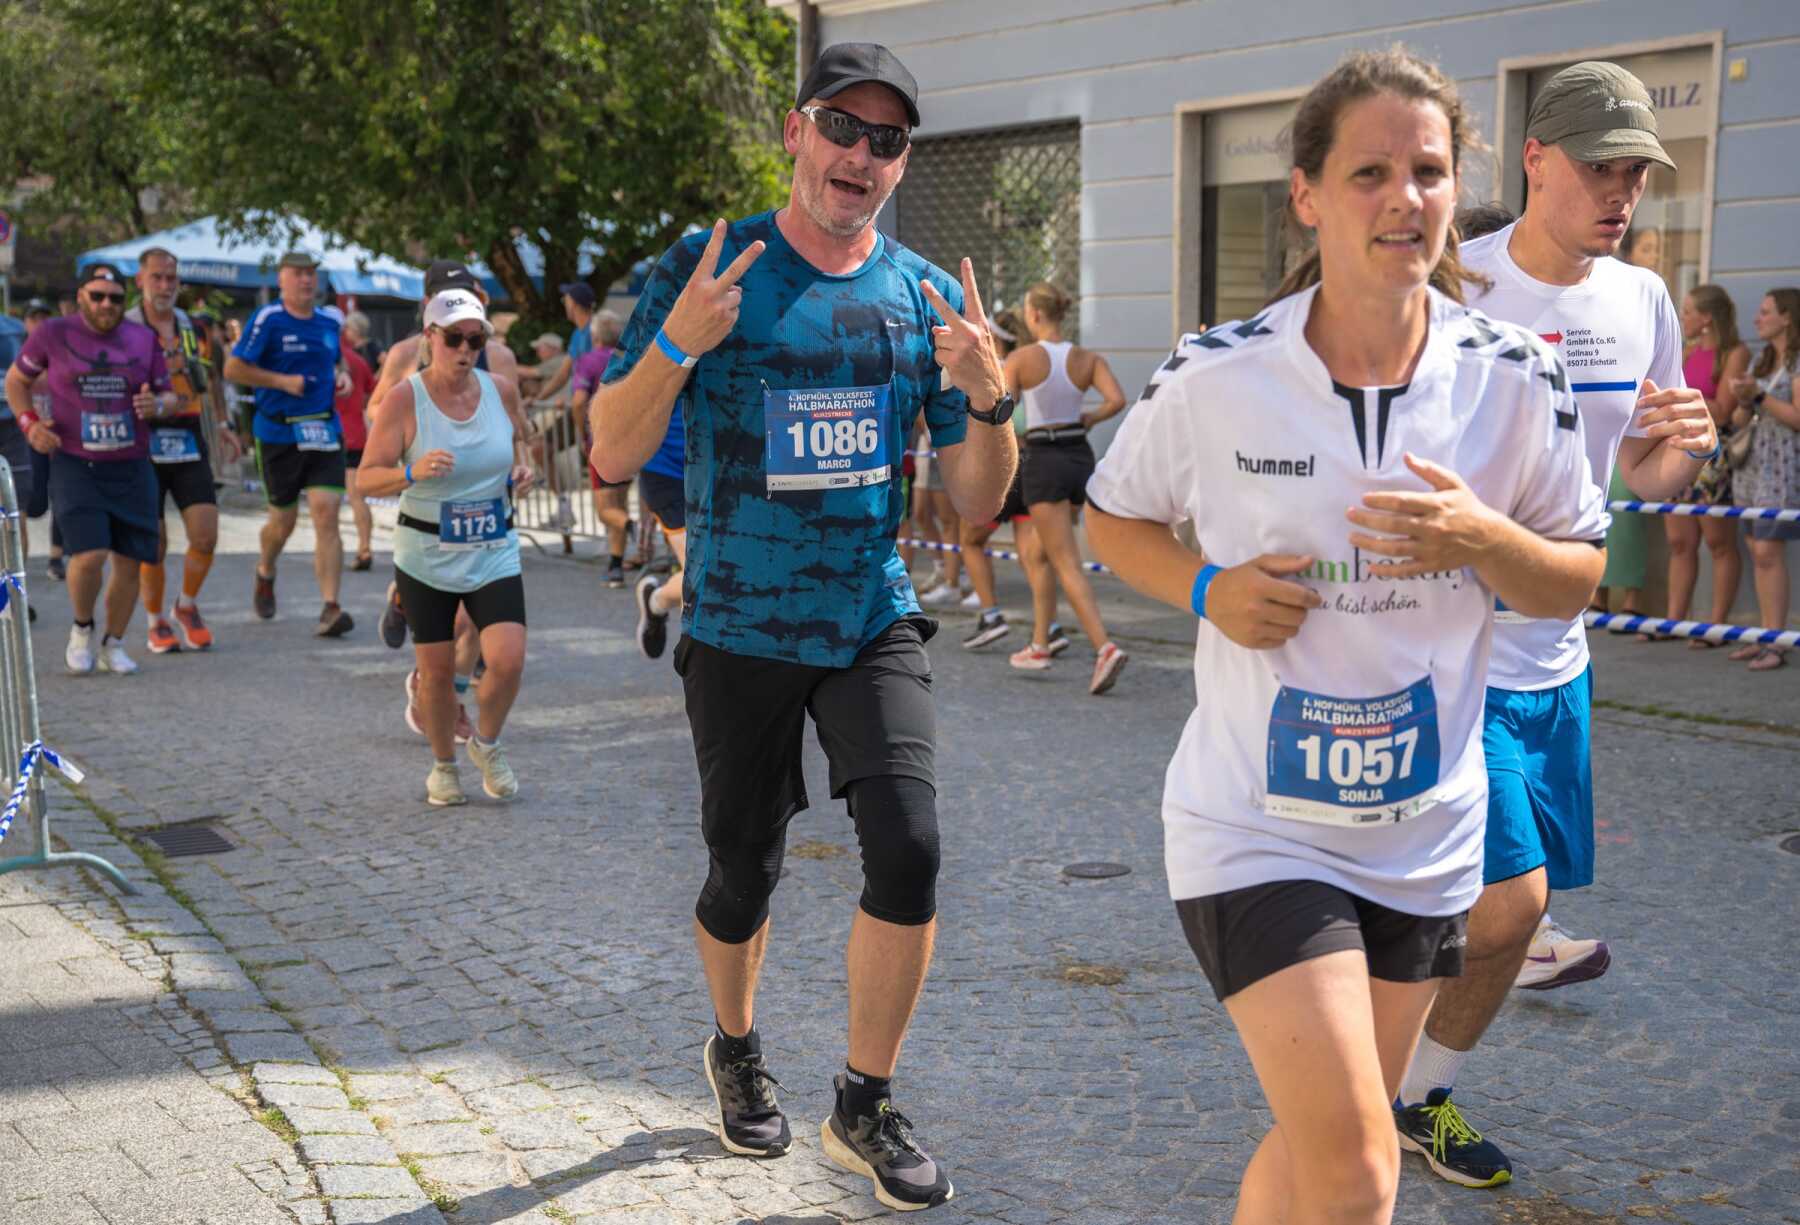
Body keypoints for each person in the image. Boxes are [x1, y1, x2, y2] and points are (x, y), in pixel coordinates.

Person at [1086, 48, 1609, 1224]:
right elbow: (1112, 518)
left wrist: (1483, 538)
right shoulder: (1220, 373)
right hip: (1257, 825)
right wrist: (1208, 587)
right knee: (1364, 1169)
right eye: (1369, 172)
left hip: (1426, 838)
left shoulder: (1515, 378)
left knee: (1327, 1144)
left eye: (1428, 171)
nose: (1403, 197)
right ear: (1309, 196)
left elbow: (1574, 579)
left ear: (1457, 188)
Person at [590, 41, 1016, 1211]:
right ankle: (734, 1046)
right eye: (841, 126)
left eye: (887, 139)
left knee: (911, 848)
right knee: (743, 869)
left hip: (870, 614)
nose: (860, 154)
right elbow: (611, 450)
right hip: (738, 621)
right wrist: (678, 341)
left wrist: (987, 394)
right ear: (795, 131)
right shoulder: (711, 263)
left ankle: (863, 1101)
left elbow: (980, 501)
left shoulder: (922, 295)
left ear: (901, 161)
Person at [1395, 61, 1719, 1188]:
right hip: (1451, 650)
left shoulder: (1641, 300)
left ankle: (1415, 1096)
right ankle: (1354, 1080)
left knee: (1498, 917)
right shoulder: (1458, 279)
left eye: (1636, 172)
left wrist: (1683, 453)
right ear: (1535, 159)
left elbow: (1640, 471)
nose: (1620, 192)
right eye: (1599, 167)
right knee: (1511, 907)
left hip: (1558, 657)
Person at [360, 289, 533, 805]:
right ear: (430, 337)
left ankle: (487, 744)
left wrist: (524, 471)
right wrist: (411, 472)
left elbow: (522, 442)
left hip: (492, 545)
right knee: (435, 673)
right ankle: (443, 766)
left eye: (476, 340)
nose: (465, 349)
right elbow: (366, 479)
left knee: (508, 660)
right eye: (455, 338)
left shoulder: (500, 390)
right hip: (427, 553)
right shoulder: (404, 399)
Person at [4, 264, 177, 674]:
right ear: (80, 296)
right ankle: (82, 628)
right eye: (97, 296)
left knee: (131, 560)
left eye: (115, 298)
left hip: (132, 463)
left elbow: (169, 396)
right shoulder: (53, 333)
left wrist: (158, 405)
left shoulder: (142, 338)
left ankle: (113, 643)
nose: (106, 304)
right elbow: (15, 381)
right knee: (89, 554)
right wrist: (29, 425)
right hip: (75, 461)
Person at [1005, 281, 1131, 693]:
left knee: (1064, 560)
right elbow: (1116, 399)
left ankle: (1104, 647)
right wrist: (1089, 419)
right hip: (1079, 456)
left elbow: (1001, 407)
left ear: (1035, 315)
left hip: (1044, 459)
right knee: (1036, 552)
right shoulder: (1086, 358)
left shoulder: (1023, 358)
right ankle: (1040, 643)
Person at [223, 251, 354, 636]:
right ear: (281, 279)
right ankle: (265, 569)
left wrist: (343, 376)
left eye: (311, 273)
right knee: (283, 521)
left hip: (323, 429)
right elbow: (233, 368)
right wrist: (282, 382)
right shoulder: (268, 319)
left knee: (326, 513)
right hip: (279, 432)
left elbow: (338, 361)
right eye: (298, 274)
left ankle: (330, 607)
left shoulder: (330, 320)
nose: (306, 280)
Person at [128, 248, 235, 654]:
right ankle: (155, 620)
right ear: (140, 280)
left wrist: (223, 425)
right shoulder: (125, 328)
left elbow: (213, 378)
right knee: (153, 542)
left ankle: (186, 605)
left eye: (171, 278)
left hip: (188, 434)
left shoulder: (194, 327)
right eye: (157, 277)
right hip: (143, 439)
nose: (165, 286)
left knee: (205, 535)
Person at [1662, 285, 1750, 641]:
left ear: (1707, 318)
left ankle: (1716, 625)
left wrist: (1682, 399)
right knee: (1679, 542)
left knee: (1718, 541)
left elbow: (1724, 410)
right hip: (1679, 448)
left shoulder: (1734, 353)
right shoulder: (1687, 352)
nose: (1682, 318)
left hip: (1714, 454)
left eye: (1687, 311)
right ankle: (1673, 620)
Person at [1726, 289, 1800, 671]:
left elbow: (1798, 418)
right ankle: (1766, 635)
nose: (1757, 318)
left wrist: (1758, 396)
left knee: (1769, 552)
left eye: (1766, 311)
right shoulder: (1763, 359)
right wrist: (1743, 400)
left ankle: (1776, 641)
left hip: (1782, 466)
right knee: (1757, 551)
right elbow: (1740, 421)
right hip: (1753, 466)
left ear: (1787, 317)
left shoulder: (1796, 362)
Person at [568, 310, 632, 587]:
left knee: (606, 510)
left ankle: (632, 526)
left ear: (594, 335)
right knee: (619, 502)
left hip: (602, 442)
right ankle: (616, 567)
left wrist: (582, 432)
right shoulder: (628, 359)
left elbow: (578, 401)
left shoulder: (588, 361)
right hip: (630, 440)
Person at [337, 316, 378, 570]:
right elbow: (374, 389)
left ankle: (330, 548)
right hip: (355, 435)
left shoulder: (322, 359)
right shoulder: (358, 360)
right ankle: (364, 548)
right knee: (357, 497)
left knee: (326, 500)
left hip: (328, 435)